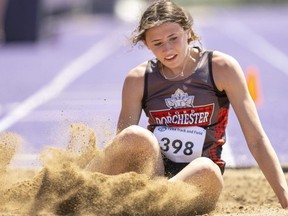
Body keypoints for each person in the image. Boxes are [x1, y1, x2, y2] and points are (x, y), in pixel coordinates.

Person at [86, 0, 288, 209]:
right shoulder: (138, 79)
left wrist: (284, 196)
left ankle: (146, 204)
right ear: (146, 44)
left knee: (205, 168)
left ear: (188, 32)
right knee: (134, 135)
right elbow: (123, 148)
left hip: (199, 182)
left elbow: (256, 139)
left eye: (173, 38)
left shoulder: (221, 68)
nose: (168, 49)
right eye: (157, 43)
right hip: (153, 176)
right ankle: (71, 190)